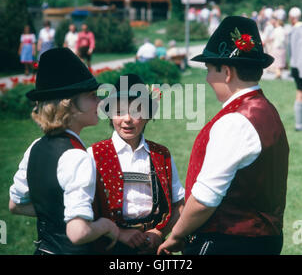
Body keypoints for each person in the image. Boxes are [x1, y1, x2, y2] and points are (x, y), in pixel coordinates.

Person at [158, 16, 289, 255]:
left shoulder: (235, 121)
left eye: (209, 70)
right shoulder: (267, 110)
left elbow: (204, 199)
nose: (207, 78)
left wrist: (177, 234)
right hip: (265, 241)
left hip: (228, 243)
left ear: (227, 72)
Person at [9, 48, 119, 255]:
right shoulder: (77, 157)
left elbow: (16, 204)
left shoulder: (34, 147)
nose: (99, 102)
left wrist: (59, 212)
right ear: (69, 104)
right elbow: (78, 232)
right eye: (91, 96)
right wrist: (106, 225)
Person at [88, 74, 185, 254]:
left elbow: (179, 203)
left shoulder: (161, 155)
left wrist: (158, 232)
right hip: (109, 245)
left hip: (153, 244)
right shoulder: (94, 155)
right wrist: (118, 233)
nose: (127, 119)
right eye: (119, 111)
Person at [288, 7, 302, 131]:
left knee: (299, 94)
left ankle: (298, 124)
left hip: (296, 66)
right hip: (299, 66)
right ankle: (298, 124)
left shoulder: (295, 30)